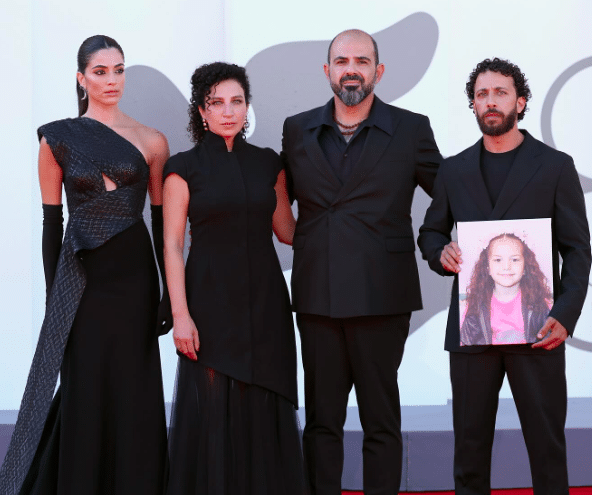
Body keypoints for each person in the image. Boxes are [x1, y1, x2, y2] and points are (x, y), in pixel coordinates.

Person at [0, 35, 169, 495]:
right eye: (100, 71)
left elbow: (161, 225)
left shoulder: (153, 141)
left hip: (135, 281)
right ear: (81, 78)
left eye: (118, 70)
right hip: (81, 281)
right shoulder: (57, 138)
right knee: (85, 388)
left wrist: (166, 293)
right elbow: (51, 224)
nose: (112, 80)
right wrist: (55, 298)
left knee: (133, 388)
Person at [418, 58, 591, 494]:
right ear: (473, 104)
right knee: (469, 450)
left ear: (521, 101)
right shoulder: (454, 169)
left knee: (547, 449)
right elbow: (431, 232)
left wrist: (565, 314)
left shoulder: (554, 166)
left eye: (500, 92)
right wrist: (441, 251)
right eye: (482, 94)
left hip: (540, 328)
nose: (490, 101)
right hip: (473, 328)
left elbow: (577, 249)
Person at [281, 29, 442, 494]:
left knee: (381, 419)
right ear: (327, 70)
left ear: (379, 70)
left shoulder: (411, 128)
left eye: (362, 61)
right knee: (321, 422)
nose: (351, 69)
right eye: (342, 61)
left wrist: (435, 239)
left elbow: (452, 192)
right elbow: (272, 196)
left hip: (383, 293)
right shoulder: (297, 128)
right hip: (318, 293)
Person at [163, 62, 306, 495]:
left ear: (247, 107)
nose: (228, 111)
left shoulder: (268, 164)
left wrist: (344, 211)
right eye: (217, 103)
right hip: (208, 306)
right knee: (213, 415)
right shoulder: (182, 168)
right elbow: (172, 246)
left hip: (266, 305)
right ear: (201, 111)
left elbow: (288, 232)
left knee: (264, 409)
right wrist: (181, 315)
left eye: (237, 102)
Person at [460, 233, 553, 346]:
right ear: (487, 268)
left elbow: (550, 340)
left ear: (525, 267)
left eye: (514, 260)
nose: (506, 267)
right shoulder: (475, 305)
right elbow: (466, 342)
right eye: (498, 260)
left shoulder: (540, 304)